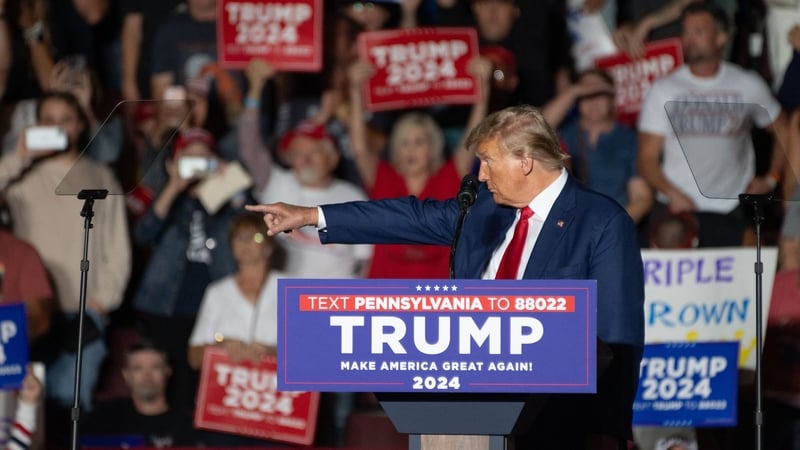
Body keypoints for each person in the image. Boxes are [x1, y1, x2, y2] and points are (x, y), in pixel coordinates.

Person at [246, 104, 645, 450]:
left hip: (557, 418)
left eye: (489, 161)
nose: (482, 175)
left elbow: (617, 336)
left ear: (524, 161)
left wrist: (605, 430)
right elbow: (407, 217)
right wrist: (312, 215)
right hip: (471, 406)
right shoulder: (485, 210)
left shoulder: (601, 222)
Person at [0, 91, 131, 411]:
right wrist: (17, 156)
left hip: (83, 313)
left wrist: (100, 306)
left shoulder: (101, 175)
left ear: (80, 125)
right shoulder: (20, 176)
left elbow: (118, 249)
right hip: (28, 315)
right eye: (48, 120)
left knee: (71, 413)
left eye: (66, 120)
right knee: (21, 416)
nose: (57, 127)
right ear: (36, 125)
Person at [637, 2, 786, 247]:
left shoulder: (747, 84)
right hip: (676, 208)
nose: (689, 39)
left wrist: (771, 178)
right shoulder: (664, 89)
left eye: (698, 31)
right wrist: (673, 194)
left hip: (731, 207)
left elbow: (784, 128)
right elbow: (646, 158)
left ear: (720, 38)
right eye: (685, 32)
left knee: (742, 281)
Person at [345, 56, 491, 278]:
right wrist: (355, 90)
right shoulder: (383, 178)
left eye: (419, 142)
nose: (411, 149)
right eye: (404, 143)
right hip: (385, 297)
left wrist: (483, 87)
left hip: (439, 299)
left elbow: (473, 137)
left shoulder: (448, 177)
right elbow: (359, 149)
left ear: (433, 148)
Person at [132, 127, 244, 413]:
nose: (195, 166)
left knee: (208, 380)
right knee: (173, 380)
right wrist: (173, 186)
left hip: (217, 303)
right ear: (173, 163)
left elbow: (251, 226)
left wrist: (229, 180)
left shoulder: (224, 198)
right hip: (167, 303)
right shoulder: (167, 198)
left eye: (203, 158)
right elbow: (143, 234)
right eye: (187, 158)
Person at [543, 67, 653, 225]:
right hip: (569, 227)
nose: (593, 101)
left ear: (612, 99)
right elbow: (536, 127)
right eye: (586, 94)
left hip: (612, 225)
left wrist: (610, 229)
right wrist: (573, 91)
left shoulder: (628, 139)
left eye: (599, 94)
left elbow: (642, 197)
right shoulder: (565, 134)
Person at [187, 213, 287, 369]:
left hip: (276, 386)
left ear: (269, 245)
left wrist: (273, 352)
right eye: (239, 237)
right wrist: (220, 347)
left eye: (255, 237)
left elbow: (316, 351)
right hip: (229, 385)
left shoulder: (291, 288)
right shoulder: (217, 292)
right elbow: (193, 357)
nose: (245, 243)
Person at [82, 340, 198, 447]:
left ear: (167, 372)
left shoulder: (186, 425)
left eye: (155, 367)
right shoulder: (105, 417)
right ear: (126, 375)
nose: (147, 376)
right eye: (138, 368)